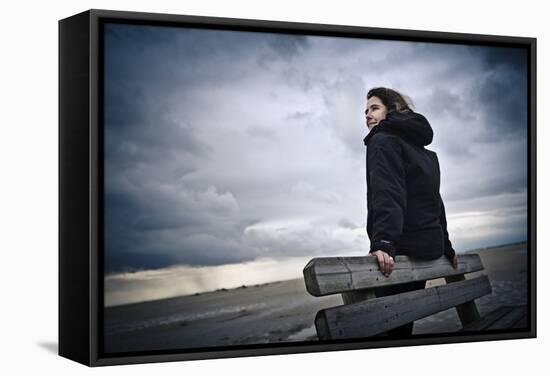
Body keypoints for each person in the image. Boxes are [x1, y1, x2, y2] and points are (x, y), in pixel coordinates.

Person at [363, 87, 458, 337]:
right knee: (402, 328)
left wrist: (384, 240)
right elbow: (434, 202)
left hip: (402, 249)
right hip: (426, 246)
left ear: (392, 110)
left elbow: (388, 192)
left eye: (374, 108)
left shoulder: (382, 140)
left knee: (387, 331)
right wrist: (446, 245)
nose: (367, 115)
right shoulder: (423, 152)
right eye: (366, 111)